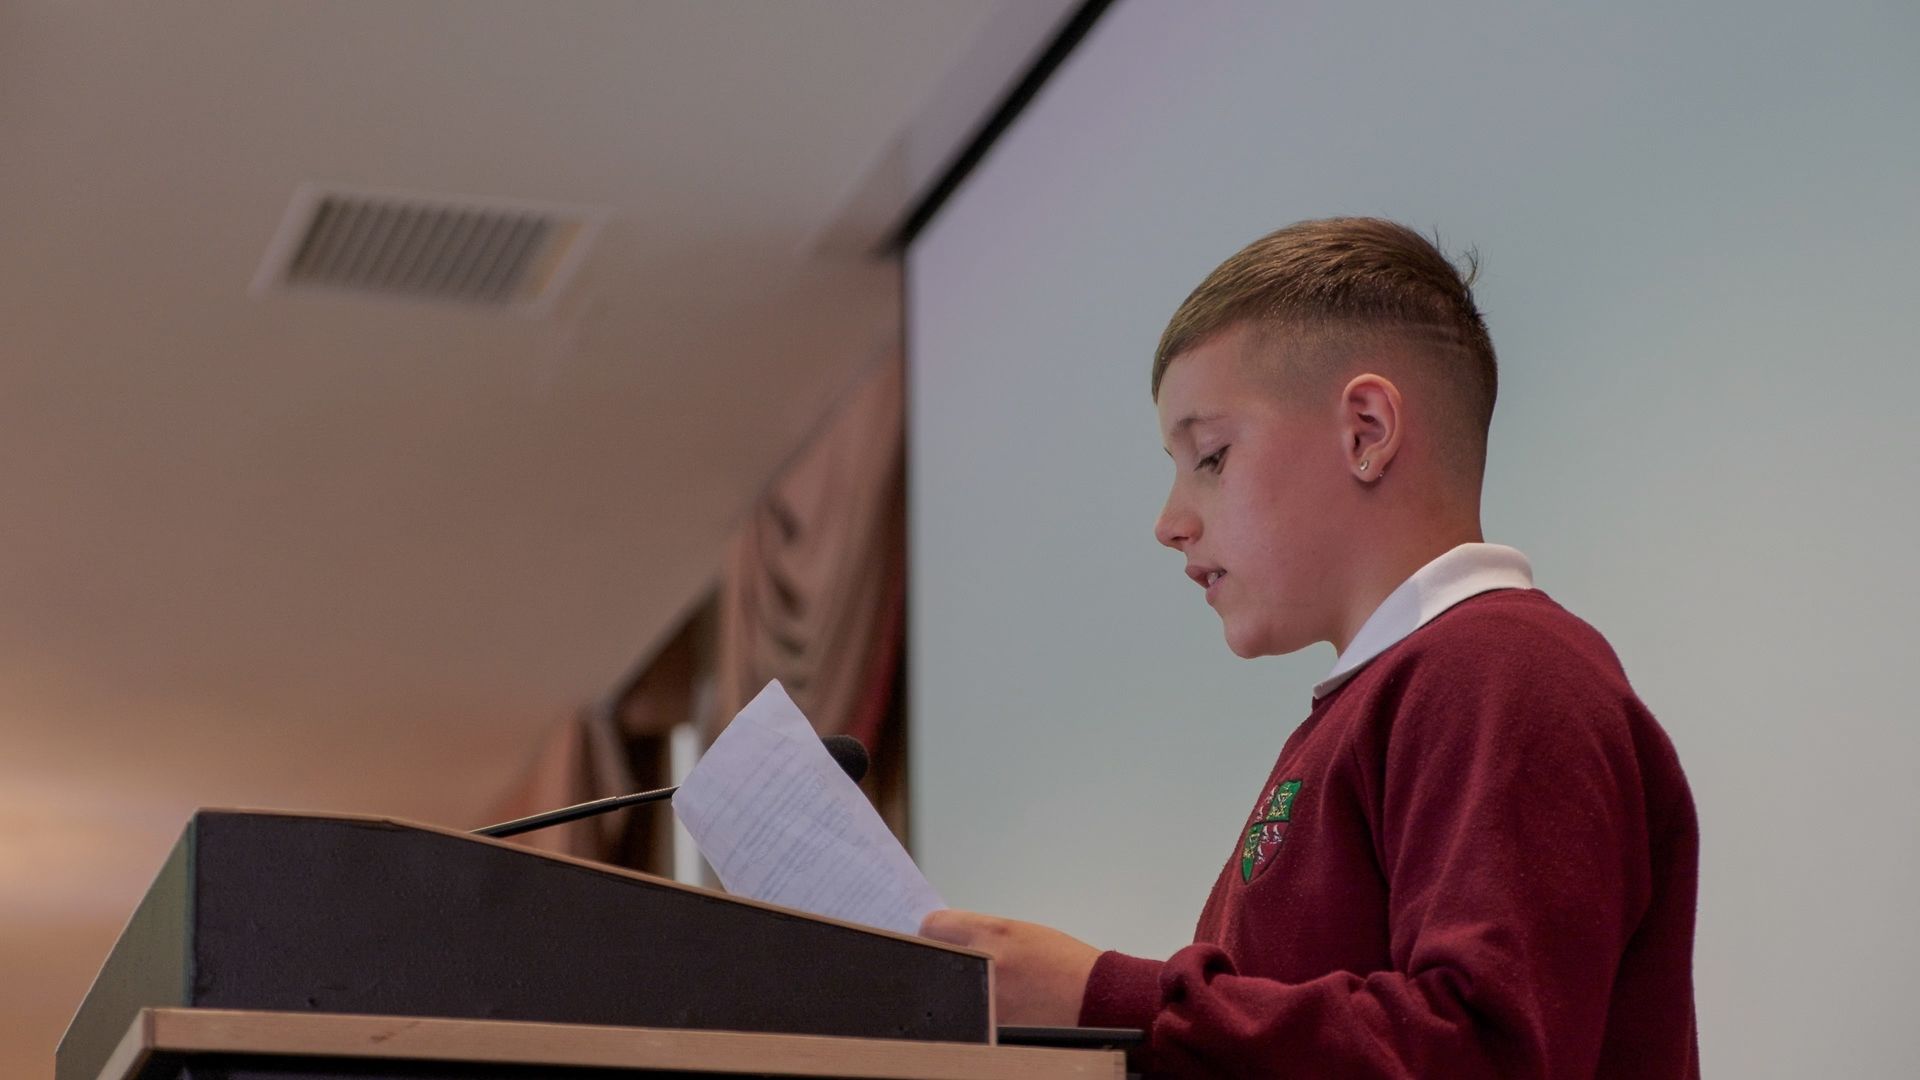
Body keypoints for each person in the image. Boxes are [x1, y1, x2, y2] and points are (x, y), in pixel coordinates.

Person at [918, 218, 1699, 1078]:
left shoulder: (1501, 668)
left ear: (1366, 430)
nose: (1170, 522)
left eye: (1209, 456)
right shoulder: (1382, 703)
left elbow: (1487, 1054)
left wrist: (1110, 1002)